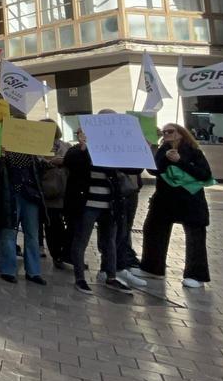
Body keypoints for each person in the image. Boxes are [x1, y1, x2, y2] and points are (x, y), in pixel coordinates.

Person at [140, 123, 214, 288]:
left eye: (170, 131)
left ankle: (196, 275)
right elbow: (154, 170)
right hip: (164, 200)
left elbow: (204, 174)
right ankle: (152, 268)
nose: (166, 134)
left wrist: (180, 161)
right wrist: (150, 150)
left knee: (195, 238)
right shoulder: (162, 150)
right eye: (164, 132)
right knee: (153, 230)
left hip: (190, 200)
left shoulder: (193, 151)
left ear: (181, 134)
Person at [63, 126, 132, 295]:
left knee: (109, 241)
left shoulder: (111, 149)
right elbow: (69, 163)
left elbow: (131, 168)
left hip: (109, 205)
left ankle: (111, 276)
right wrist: (83, 149)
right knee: (81, 240)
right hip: (87, 204)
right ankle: (80, 278)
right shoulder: (77, 151)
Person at [0, 143, 49, 286]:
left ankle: (33, 271)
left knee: (32, 234)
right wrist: (1, 156)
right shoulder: (2, 149)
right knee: (8, 232)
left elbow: (41, 170)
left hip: (30, 195)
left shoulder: (31, 152)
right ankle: (8, 270)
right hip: (9, 195)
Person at [41, 123, 71, 270]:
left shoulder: (66, 146)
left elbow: (75, 162)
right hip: (48, 192)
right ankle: (57, 255)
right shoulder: (37, 147)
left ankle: (68, 254)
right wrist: (49, 162)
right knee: (53, 226)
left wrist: (64, 161)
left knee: (70, 226)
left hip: (66, 191)